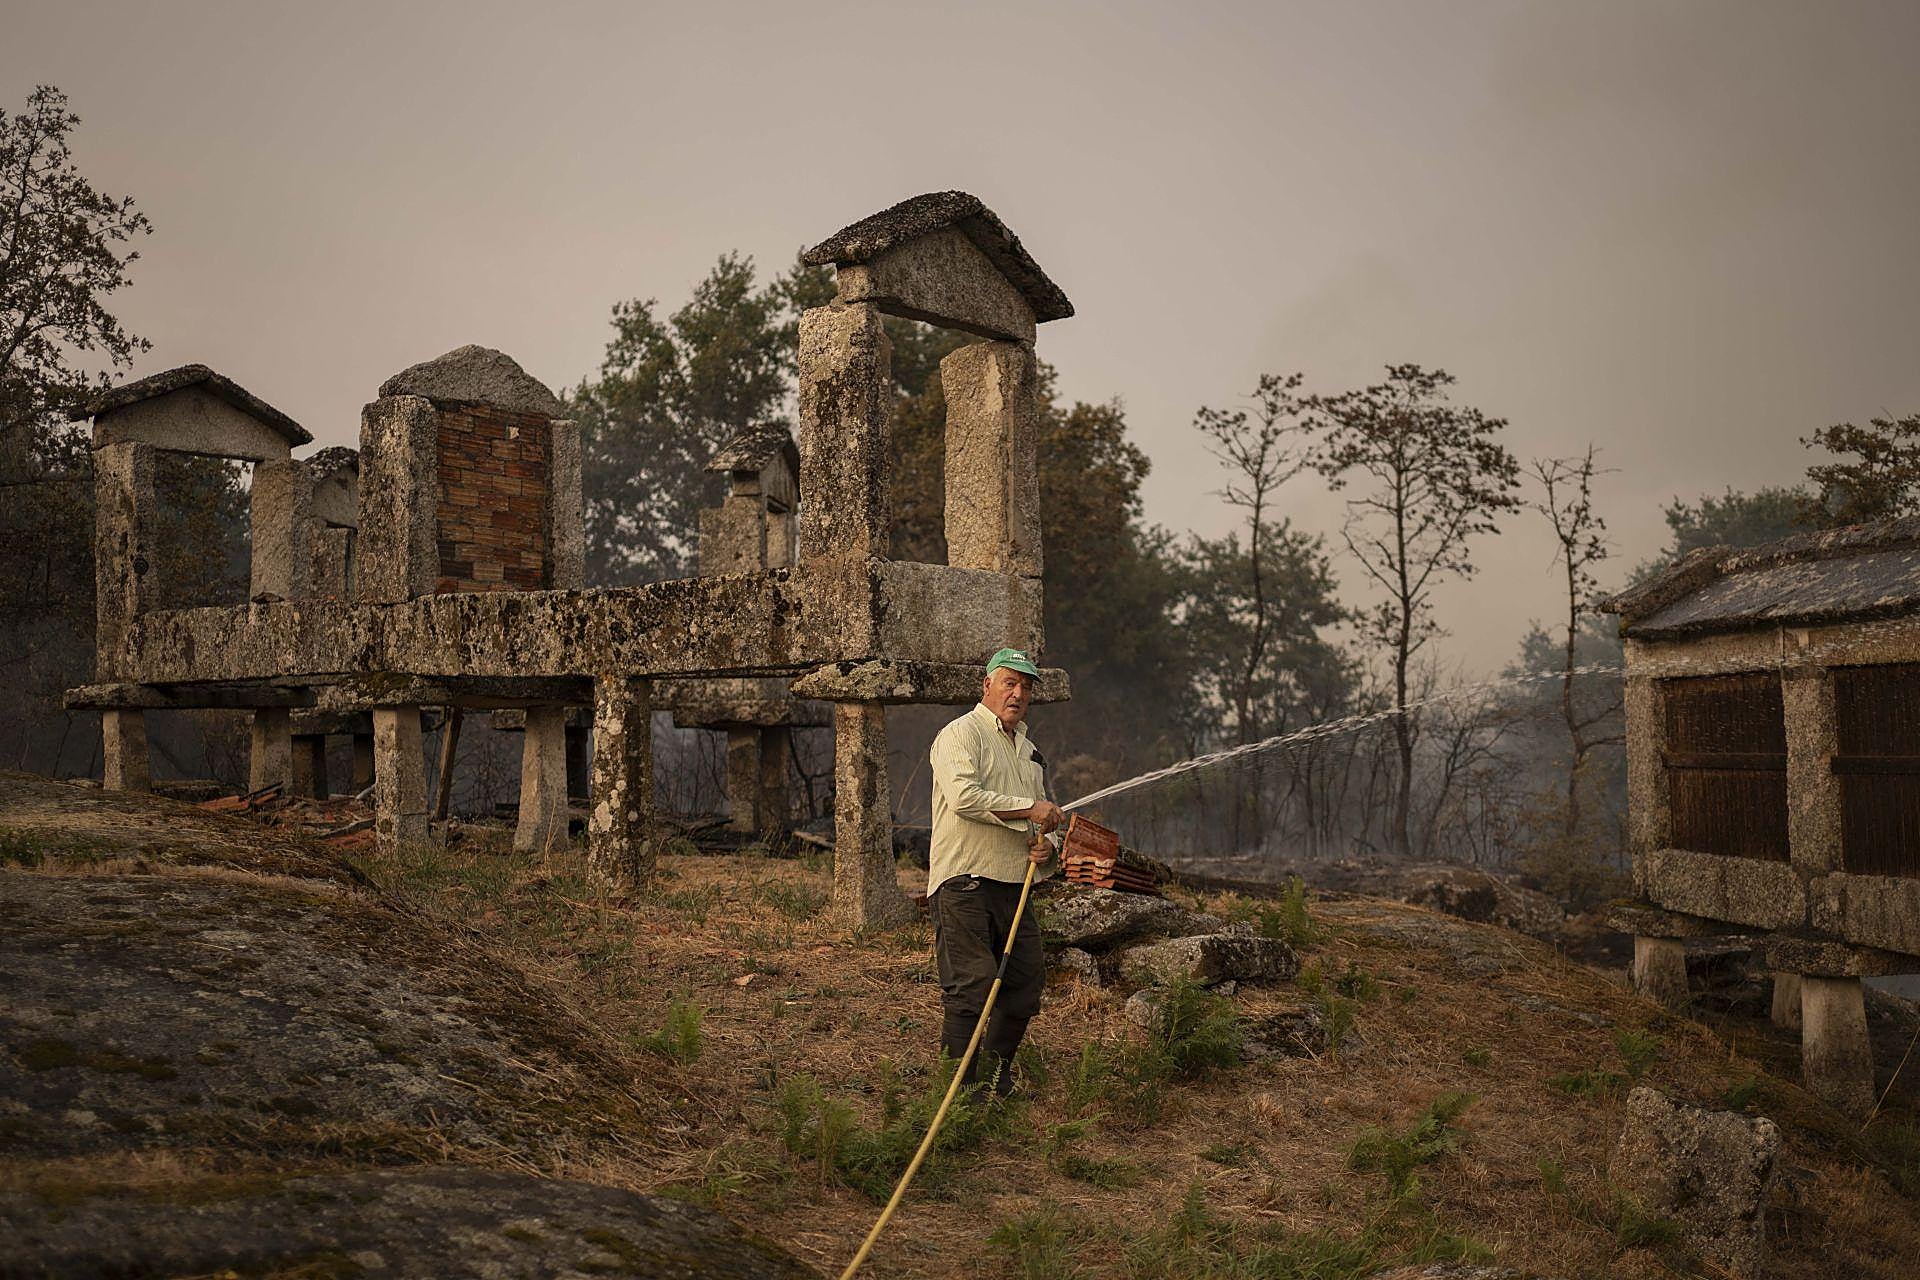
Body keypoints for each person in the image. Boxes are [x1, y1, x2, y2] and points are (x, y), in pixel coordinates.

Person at [927, 647, 1064, 1094]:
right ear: (987, 685)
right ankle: (959, 1093)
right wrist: (1030, 809)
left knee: (1025, 982)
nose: (1018, 693)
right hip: (964, 882)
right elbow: (964, 798)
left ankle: (994, 1077)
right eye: (1009, 682)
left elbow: (1040, 820)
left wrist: (1048, 846)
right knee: (973, 986)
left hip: (1015, 886)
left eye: (1025, 686)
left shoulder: (1029, 752)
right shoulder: (959, 734)